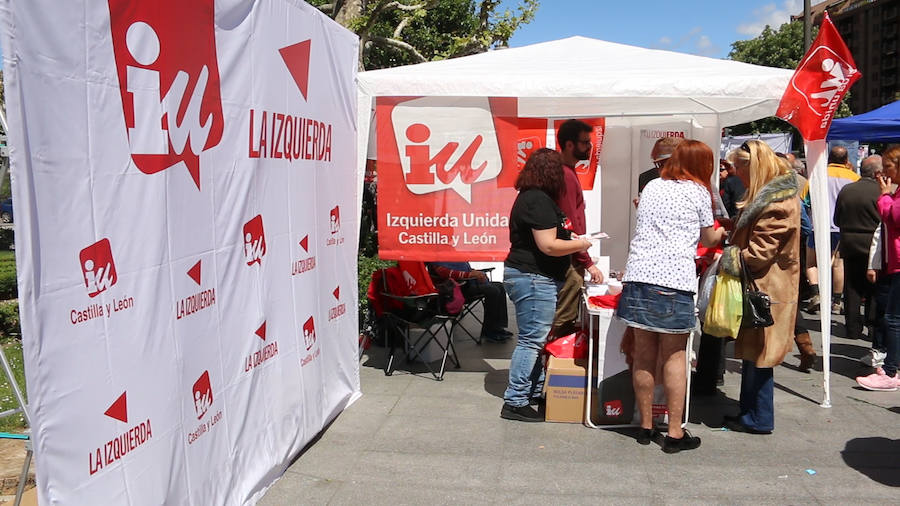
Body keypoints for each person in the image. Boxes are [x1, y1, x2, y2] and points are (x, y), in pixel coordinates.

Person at [616, 139, 726, 452]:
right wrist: (723, 232)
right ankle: (674, 432)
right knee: (676, 357)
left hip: (638, 276)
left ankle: (646, 426)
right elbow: (708, 236)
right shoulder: (698, 192)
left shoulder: (651, 187)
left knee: (643, 354)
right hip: (674, 281)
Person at [501, 148, 593, 421]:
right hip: (532, 277)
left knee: (536, 339)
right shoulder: (537, 201)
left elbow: (554, 236)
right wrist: (582, 243)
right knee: (532, 340)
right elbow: (549, 245)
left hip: (535, 276)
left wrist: (570, 235)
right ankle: (515, 400)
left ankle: (532, 392)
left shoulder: (537, 199)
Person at [721, 140, 801, 434]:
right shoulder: (769, 198)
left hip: (767, 290)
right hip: (763, 287)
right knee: (755, 354)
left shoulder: (776, 203)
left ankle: (759, 417)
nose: (734, 174)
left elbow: (759, 253)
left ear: (753, 167)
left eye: (738, 168)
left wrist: (729, 257)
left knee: (762, 355)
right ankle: (749, 412)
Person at [551, 120, 603, 338]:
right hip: (568, 259)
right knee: (563, 319)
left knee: (565, 318)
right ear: (570, 144)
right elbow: (569, 224)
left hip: (571, 255)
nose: (589, 147)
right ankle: (550, 367)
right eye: (584, 143)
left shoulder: (568, 172)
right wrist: (587, 262)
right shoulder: (564, 175)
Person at [856, 144, 900, 391]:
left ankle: (892, 372)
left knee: (893, 319)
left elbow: (893, 218)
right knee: (892, 317)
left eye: (889, 166)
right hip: (893, 262)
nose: (885, 172)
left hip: (898, 262)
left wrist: (884, 195)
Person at [803, 145, 859, 314]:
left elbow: (805, 202)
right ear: (846, 160)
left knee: (812, 263)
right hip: (842, 227)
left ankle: (816, 294)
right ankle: (836, 302)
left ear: (828, 158)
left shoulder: (816, 176)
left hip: (818, 226)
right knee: (838, 265)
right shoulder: (854, 178)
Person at [834, 155, 882, 341]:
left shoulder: (847, 190)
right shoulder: (880, 192)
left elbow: (837, 219)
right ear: (878, 172)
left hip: (850, 244)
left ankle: (852, 328)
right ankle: (872, 326)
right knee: (874, 288)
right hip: (873, 246)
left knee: (852, 288)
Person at [426, 262, 513, 342]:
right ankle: (490, 331)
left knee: (499, 286)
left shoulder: (452, 252)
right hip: (455, 288)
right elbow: (445, 273)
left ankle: (498, 327)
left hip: (467, 283)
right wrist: (470, 274)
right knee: (493, 290)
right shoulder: (436, 257)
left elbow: (465, 269)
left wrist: (476, 273)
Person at [634, 136, 683, 207]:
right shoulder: (646, 178)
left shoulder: (694, 186)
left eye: (660, 163)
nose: (659, 169)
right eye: (656, 163)